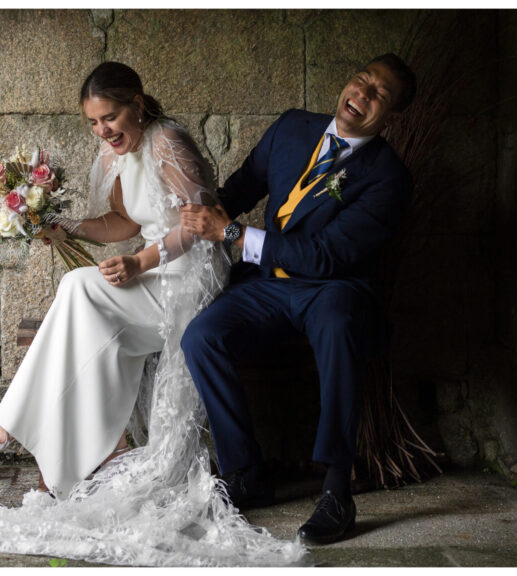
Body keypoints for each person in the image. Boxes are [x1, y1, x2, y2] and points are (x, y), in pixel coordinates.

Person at [0, 62, 305, 567]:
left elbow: (201, 224)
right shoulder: (115, 151)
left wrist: (141, 261)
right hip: (153, 268)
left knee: (81, 289)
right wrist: (63, 225)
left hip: (190, 275)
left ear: (137, 104)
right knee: (79, 289)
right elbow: (122, 222)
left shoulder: (168, 143)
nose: (103, 131)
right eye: (94, 122)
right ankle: (58, 450)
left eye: (111, 117)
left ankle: (22, 429)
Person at [180, 53, 417, 545]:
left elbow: (328, 256)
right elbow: (238, 191)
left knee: (338, 323)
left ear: (392, 115)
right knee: (201, 335)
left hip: (333, 288)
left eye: (381, 95)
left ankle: (336, 490)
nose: (364, 95)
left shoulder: (389, 177)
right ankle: (246, 473)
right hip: (267, 283)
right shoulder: (292, 127)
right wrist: (183, 207)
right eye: (363, 81)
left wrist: (232, 234)